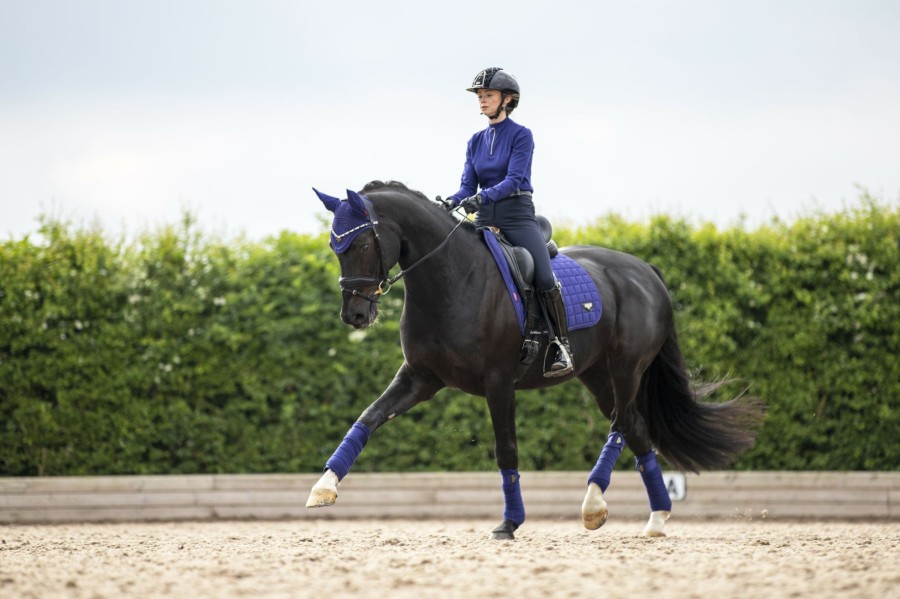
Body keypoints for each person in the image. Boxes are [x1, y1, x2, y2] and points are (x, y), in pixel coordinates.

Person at [444, 67, 573, 377]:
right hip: (485, 219)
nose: (482, 101)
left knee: (543, 277)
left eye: (488, 95)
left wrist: (481, 198)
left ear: (507, 99)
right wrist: (452, 200)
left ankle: (559, 345)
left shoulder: (521, 135)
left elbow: (515, 179)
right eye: (479, 96)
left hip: (517, 217)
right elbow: (467, 186)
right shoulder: (475, 141)